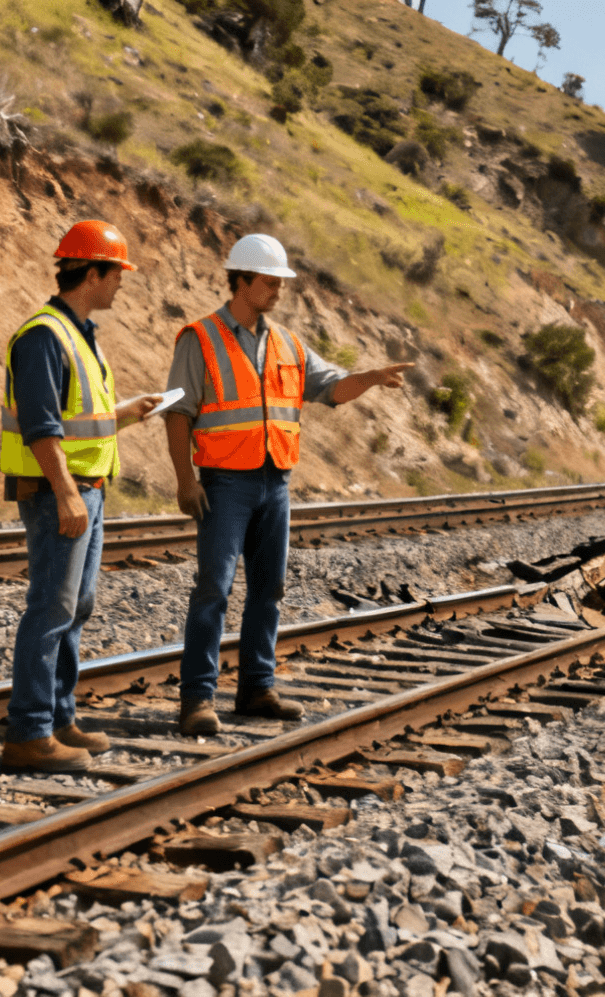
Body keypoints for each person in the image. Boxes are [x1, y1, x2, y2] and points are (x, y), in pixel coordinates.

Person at [162, 234, 412, 735]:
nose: (278, 290)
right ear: (241, 280)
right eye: (270, 281)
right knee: (213, 588)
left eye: (281, 282)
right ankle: (197, 699)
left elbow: (331, 388)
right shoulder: (200, 338)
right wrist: (185, 480)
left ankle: (256, 688)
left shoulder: (288, 344)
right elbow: (177, 413)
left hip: (274, 481)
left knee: (269, 588)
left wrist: (368, 377)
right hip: (224, 482)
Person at [0, 220, 163, 772]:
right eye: (116, 273)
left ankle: (59, 717)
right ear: (92, 273)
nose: (121, 283)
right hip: (59, 493)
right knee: (51, 608)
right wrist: (67, 493)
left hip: (85, 490)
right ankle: (28, 732)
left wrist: (126, 414)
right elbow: (41, 427)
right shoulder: (45, 335)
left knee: (76, 606)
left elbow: (75, 419)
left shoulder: (79, 334)